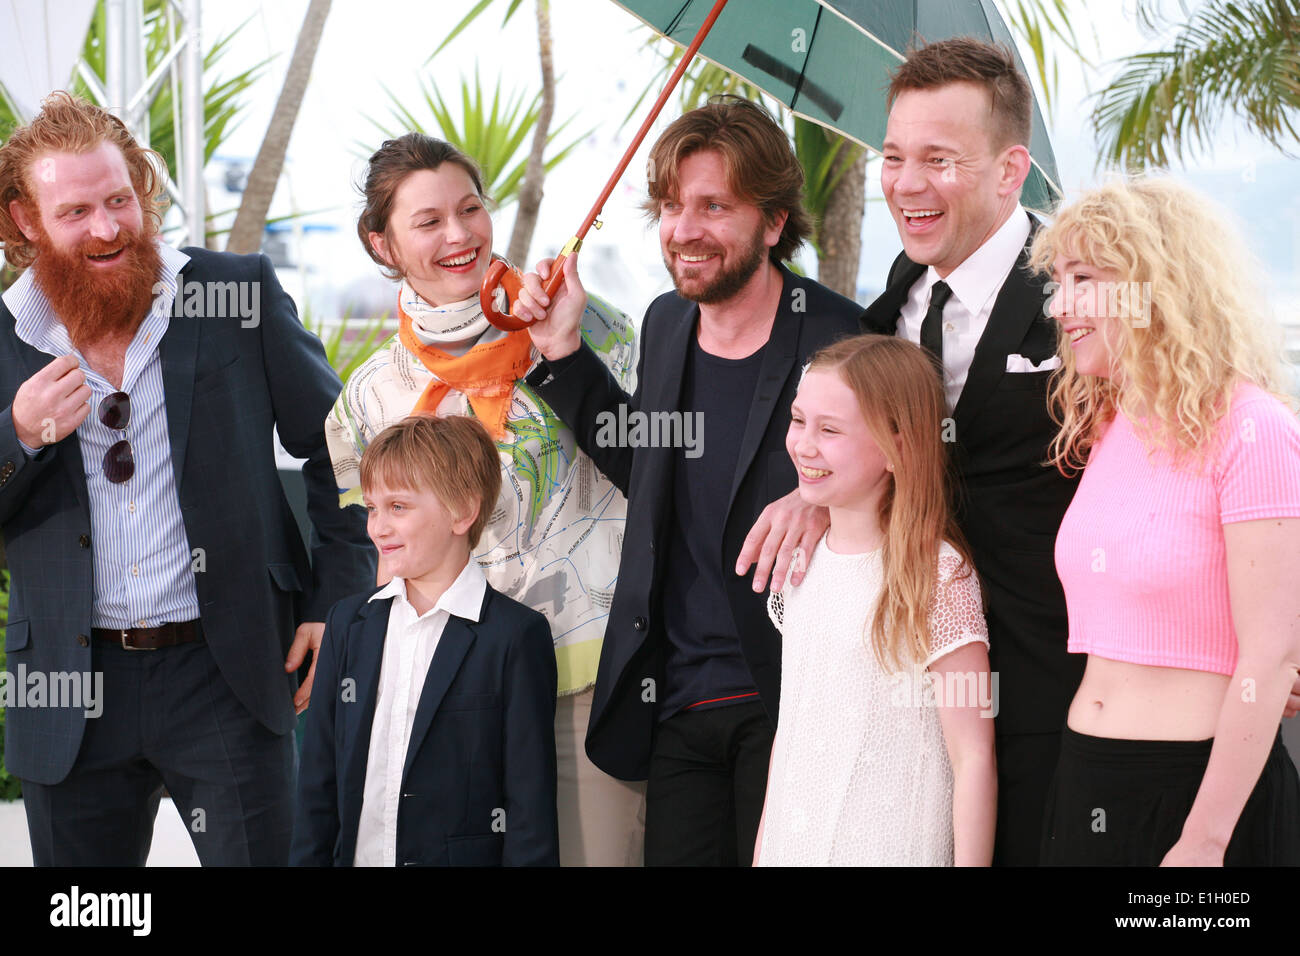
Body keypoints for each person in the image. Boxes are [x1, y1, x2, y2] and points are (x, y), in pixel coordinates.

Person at [0, 92, 374, 865]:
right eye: (75, 212)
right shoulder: (4, 338)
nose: (106, 228)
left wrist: (335, 597)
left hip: (229, 668)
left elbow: (344, 449)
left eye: (119, 199)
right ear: (26, 220)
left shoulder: (233, 292)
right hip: (70, 685)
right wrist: (20, 434)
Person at [512, 95, 862, 865]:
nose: (684, 230)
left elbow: (905, 483)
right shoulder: (666, 321)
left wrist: (823, 497)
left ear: (773, 223)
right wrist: (563, 354)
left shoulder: (842, 335)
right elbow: (652, 467)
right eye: (672, 206)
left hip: (793, 699)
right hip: (675, 696)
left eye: (714, 206)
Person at [323, 132, 643, 866]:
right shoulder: (372, 393)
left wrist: (564, 351)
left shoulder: (587, 327)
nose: (460, 234)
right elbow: (369, 549)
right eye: (427, 221)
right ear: (383, 245)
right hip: (445, 694)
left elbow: (656, 475)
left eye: (470, 209)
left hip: (585, 683)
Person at [849, 39, 1084, 865]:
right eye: (893, 156)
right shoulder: (889, 311)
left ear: (1010, 170)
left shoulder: (1081, 294)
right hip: (923, 703)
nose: (906, 185)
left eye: (938, 160)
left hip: (1066, 697)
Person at [1033, 179, 1300, 866]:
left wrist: (1204, 841)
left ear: (1156, 283)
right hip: (1086, 778)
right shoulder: (1108, 426)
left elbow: (1270, 658)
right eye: (1057, 280)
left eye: (1084, 278)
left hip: (1196, 800)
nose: (1060, 305)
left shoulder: (1254, 429)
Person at [755, 334, 995, 866]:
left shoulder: (938, 574)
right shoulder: (803, 564)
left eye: (831, 430)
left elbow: (973, 756)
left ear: (897, 446)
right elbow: (791, 732)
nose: (804, 444)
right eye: (798, 420)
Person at [294, 414, 559, 866]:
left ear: (463, 512)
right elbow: (318, 784)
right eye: (373, 508)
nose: (377, 527)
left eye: (398, 507)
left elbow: (528, 808)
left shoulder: (516, 637)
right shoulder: (347, 624)